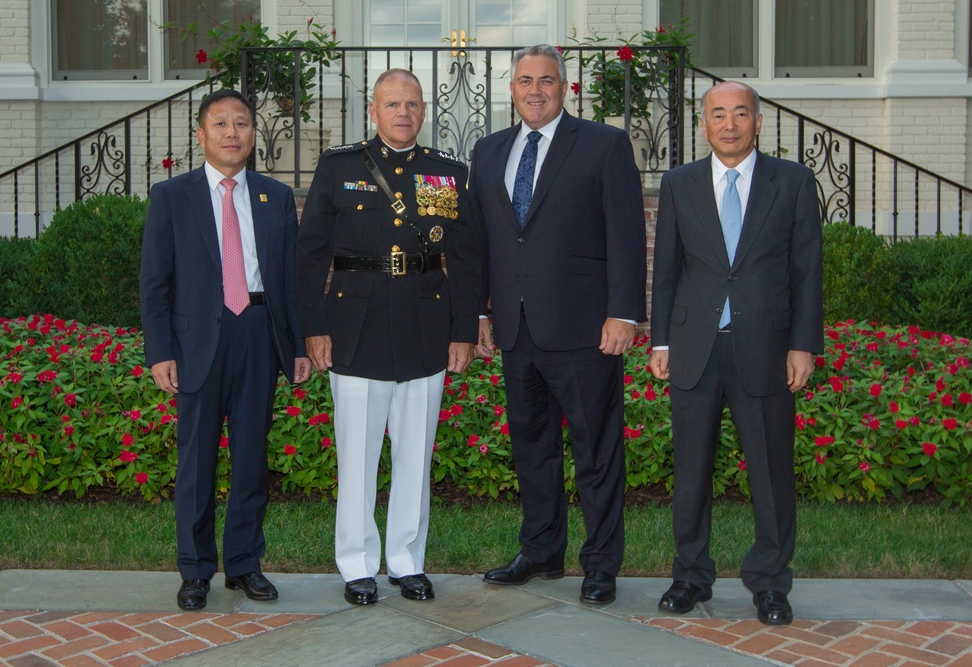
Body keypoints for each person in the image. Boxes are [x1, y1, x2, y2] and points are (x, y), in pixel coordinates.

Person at [296, 69, 481, 606]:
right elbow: (310, 257)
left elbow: (465, 258)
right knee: (357, 457)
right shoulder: (340, 167)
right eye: (393, 104)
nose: (404, 113)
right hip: (354, 326)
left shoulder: (445, 174)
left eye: (413, 105)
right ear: (372, 111)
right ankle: (356, 564)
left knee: (415, 455)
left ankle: (406, 560)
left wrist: (463, 330)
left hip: (426, 323)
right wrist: (314, 325)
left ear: (425, 112)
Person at [470, 44, 647, 606]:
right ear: (513, 89)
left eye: (547, 80)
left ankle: (600, 565)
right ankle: (541, 550)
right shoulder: (489, 150)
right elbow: (480, 244)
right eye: (525, 80)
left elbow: (626, 233)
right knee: (533, 450)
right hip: (516, 332)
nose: (535, 90)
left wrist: (624, 312)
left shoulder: (603, 145)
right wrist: (479, 312)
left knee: (596, 452)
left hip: (585, 330)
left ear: (565, 88)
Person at [649, 80, 823, 626]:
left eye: (740, 113)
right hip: (696, 348)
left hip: (766, 350)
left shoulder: (792, 182)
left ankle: (770, 582)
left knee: (771, 473)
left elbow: (806, 270)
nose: (729, 124)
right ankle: (690, 575)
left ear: (757, 122)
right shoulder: (679, 183)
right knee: (691, 471)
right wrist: (661, 340)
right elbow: (668, 268)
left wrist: (802, 345)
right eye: (718, 114)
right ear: (704, 124)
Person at [140, 89, 312, 611]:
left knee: (251, 459)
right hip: (196, 343)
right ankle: (196, 570)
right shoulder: (172, 196)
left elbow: (290, 279)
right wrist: (159, 351)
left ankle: (243, 564)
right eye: (221, 124)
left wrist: (297, 345)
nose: (232, 132)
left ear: (253, 135)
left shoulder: (274, 197)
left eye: (242, 123)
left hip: (257, 333)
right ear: (201, 135)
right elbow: (154, 282)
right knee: (196, 460)